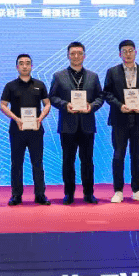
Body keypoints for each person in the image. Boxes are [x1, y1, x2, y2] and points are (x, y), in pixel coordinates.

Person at [49, 41, 104, 204]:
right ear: (68, 56)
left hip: (87, 125)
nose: (76, 56)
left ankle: (89, 193)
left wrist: (91, 106)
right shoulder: (58, 76)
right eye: (72, 53)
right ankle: (69, 194)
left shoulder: (93, 76)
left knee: (87, 161)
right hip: (67, 125)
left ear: (84, 56)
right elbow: (52, 97)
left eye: (79, 53)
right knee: (68, 161)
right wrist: (65, 105)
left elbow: (100, 97)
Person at [102, 39, 139, 203]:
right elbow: (107, 93)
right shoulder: (112, 72)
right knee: (118, 155)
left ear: (136, 52)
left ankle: (137, 190)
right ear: (120, 54)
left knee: (137, 155)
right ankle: (118, 190)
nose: (128, 54)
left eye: (130, 50)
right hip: (120, 119)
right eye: (124, 51)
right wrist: (120, 106)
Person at [0, 54, 51, 205]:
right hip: (17, 130)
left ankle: (40, 195)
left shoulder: (40, 85)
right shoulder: (10, 86)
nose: (24, 66)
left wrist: (40, 118)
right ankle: (16, 195)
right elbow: (2, 105)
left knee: (38, 163)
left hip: (36, 130)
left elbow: (47, 104)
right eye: (21, 63)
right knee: (16, 163)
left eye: (27, 63)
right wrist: (16, 118)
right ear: (17, 67)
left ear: (31, 66)